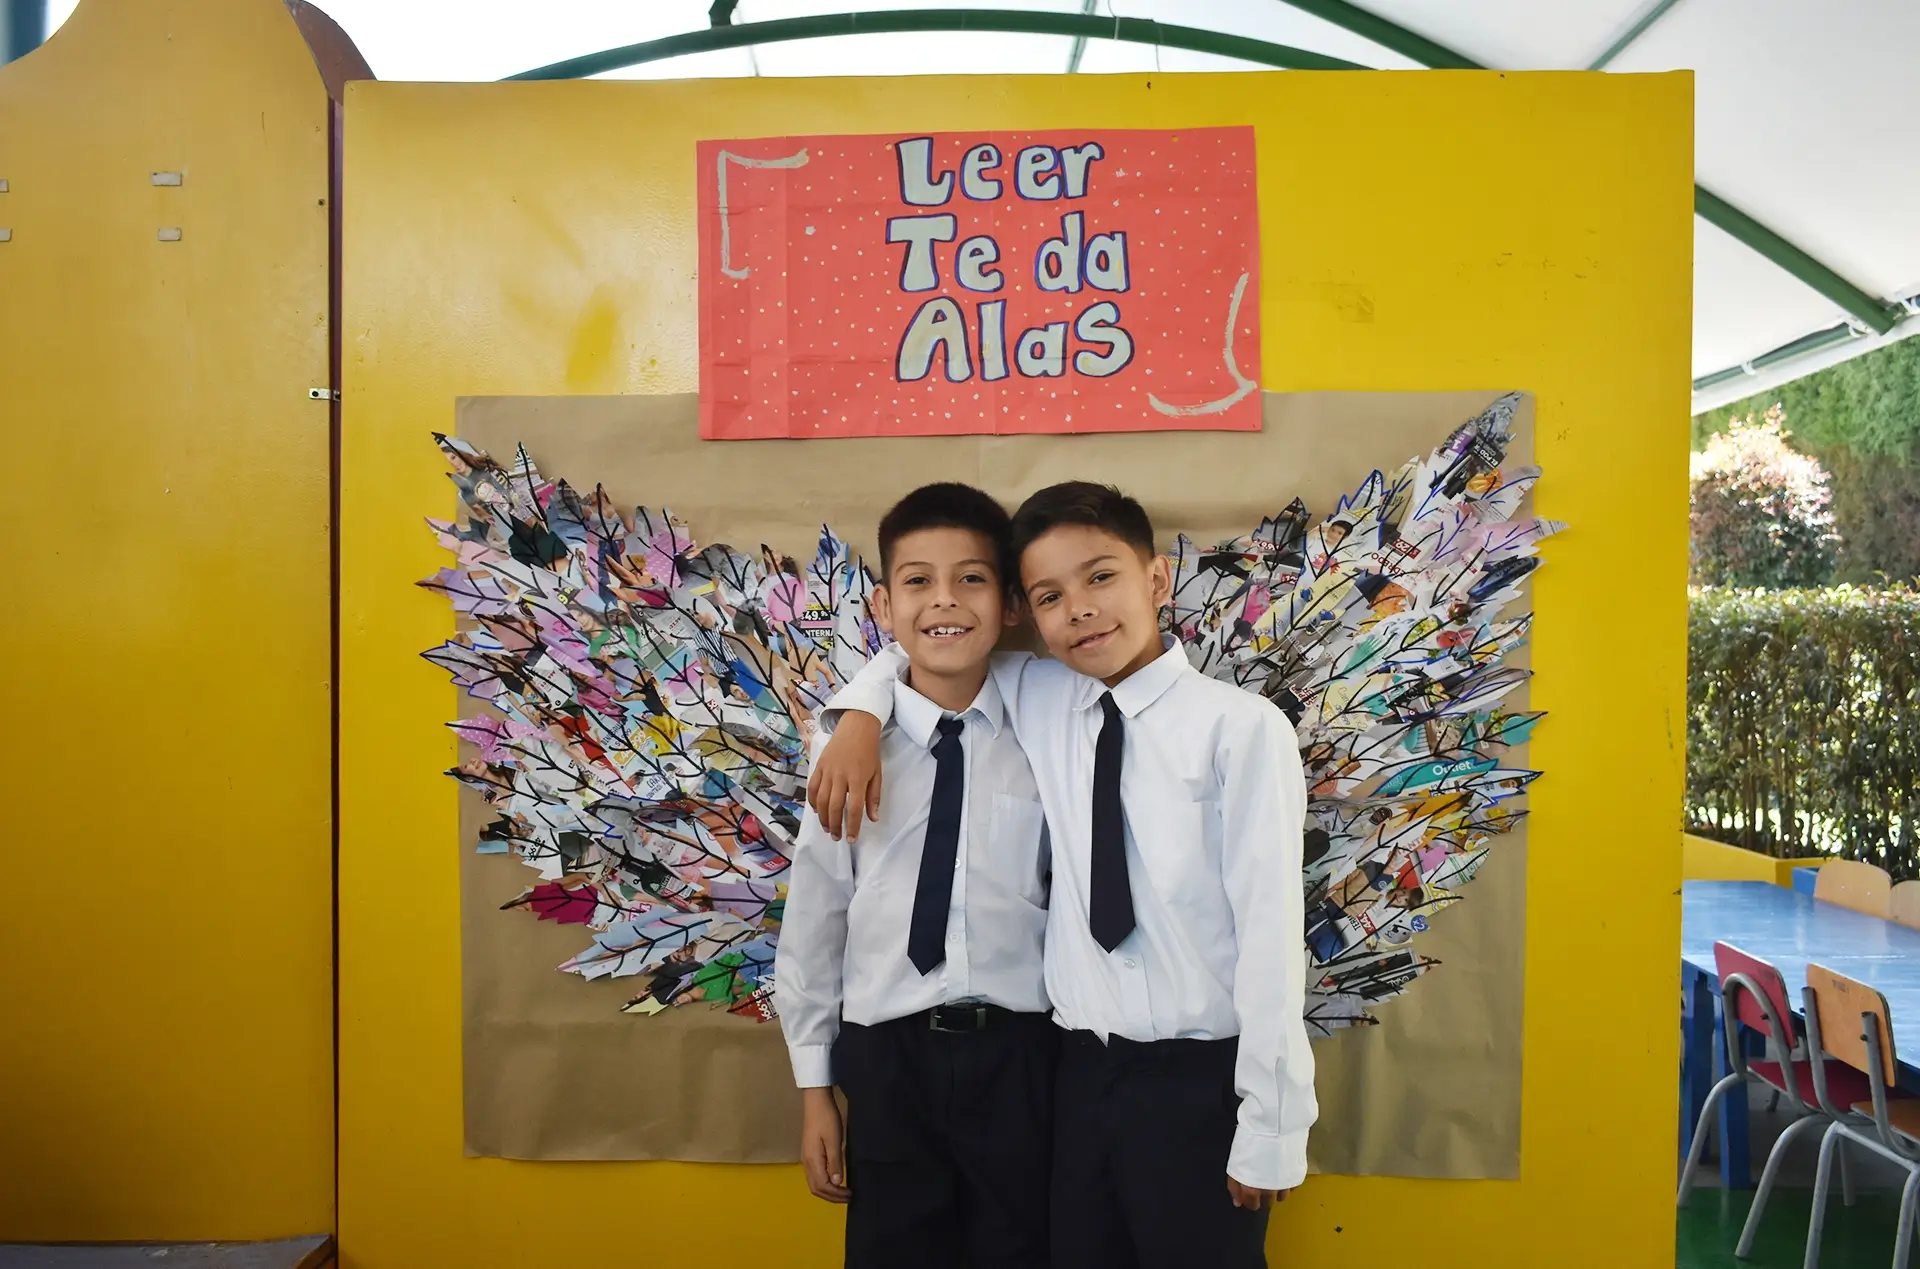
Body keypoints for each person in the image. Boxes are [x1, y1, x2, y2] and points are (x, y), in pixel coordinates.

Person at [810, 480, 1316, 1269]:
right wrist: (858, 717)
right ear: (1028, 612)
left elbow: (1275, 934)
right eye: (1050, 595)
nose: (1079, 609)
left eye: (1101, 577)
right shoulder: (1046, 696)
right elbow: (926, 651)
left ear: (1156, 579)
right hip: (1075, 1075)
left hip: (1197, 1079)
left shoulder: (1239, 727)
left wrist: (1273, 1124)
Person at [773, 482, 1054, 1269]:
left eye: (972, 578)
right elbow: (816, 922)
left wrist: (860, 703)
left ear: (1008, 604)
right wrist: (814, 1089)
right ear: (884, 606)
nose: (945, 600)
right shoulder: (846, 756)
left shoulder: (1048, 729)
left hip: (1023, 1054)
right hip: (887, 1057)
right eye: (918, 580)